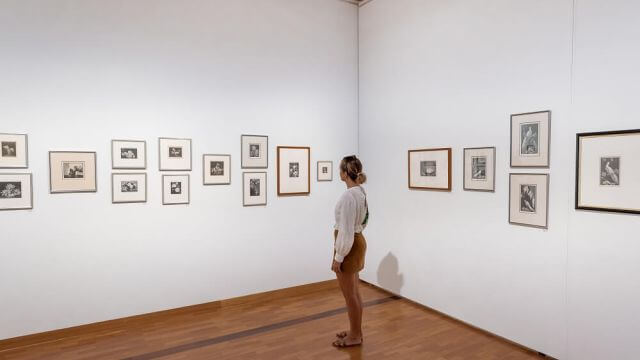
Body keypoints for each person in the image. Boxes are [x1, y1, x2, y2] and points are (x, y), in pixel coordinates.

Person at [332, 155, 369, 348]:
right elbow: (364, 220)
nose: (339, 173)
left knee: (350, 295)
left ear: (346, 173)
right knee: (354, 292)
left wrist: (338, 258)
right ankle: (356, 331)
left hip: (349, 245)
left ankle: (355, 336)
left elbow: (345, 231)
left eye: (340, 170)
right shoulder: (360, 191)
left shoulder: (348, 196)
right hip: (358, 241)